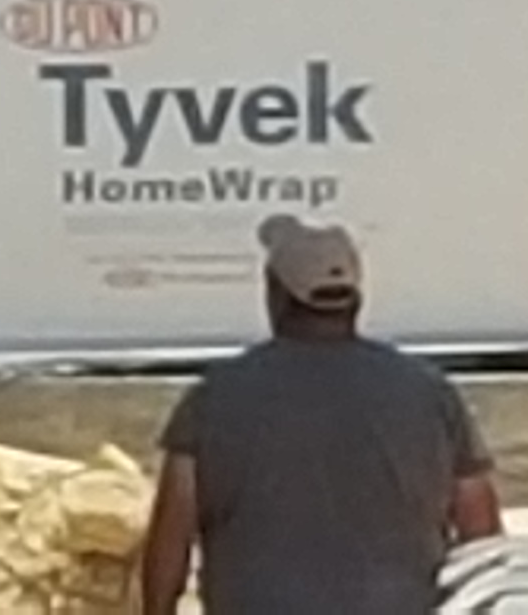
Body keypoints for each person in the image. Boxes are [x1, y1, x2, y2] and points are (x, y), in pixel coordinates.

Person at [137, 216, 502, 615]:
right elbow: (481, 537)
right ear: (356, 299)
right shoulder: (431, 394)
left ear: (275, 294)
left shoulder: (213, 399)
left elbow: (170, 543)